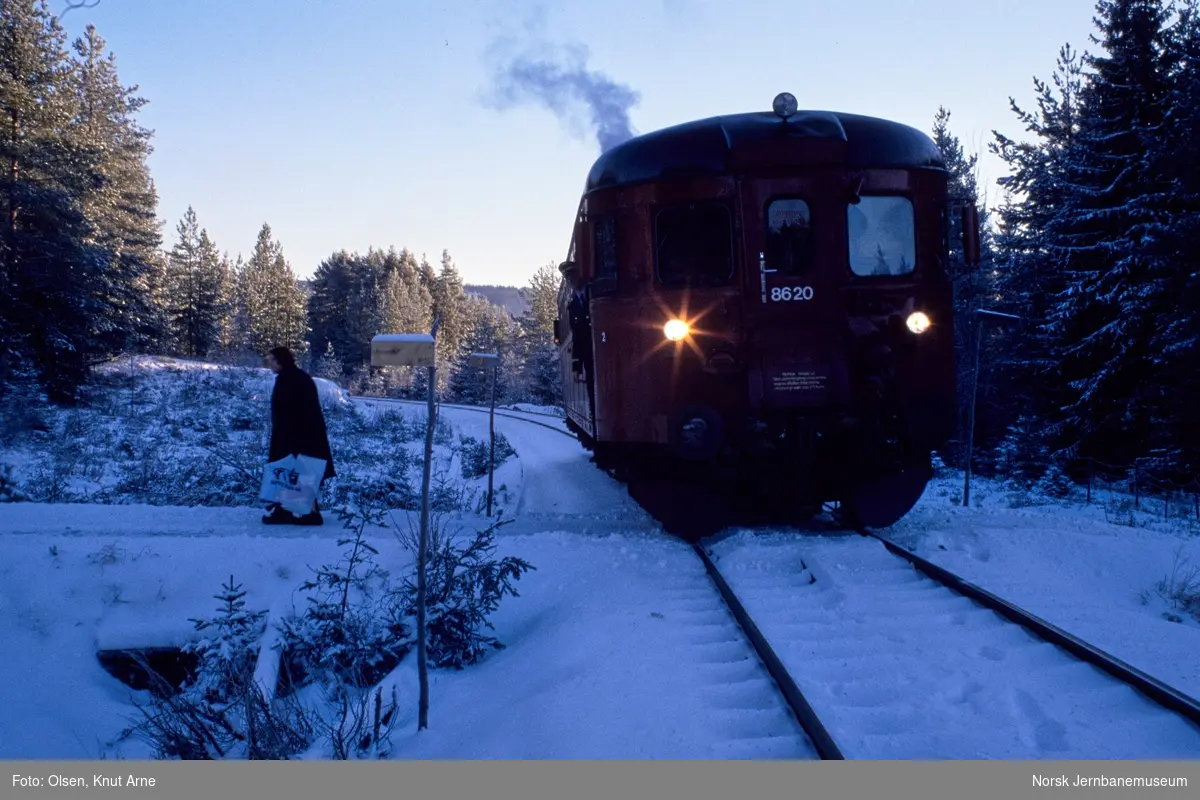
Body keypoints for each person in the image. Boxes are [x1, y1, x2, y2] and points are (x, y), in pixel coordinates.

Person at [262, 346, 336, 525]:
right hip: (300, 435)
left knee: (297, 471)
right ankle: (284, 512)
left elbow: (294, 412)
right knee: (293, 471)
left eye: (272, 360)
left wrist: (290, 439)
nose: (269, 363)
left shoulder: (290, 379)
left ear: (280, 360)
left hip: (296, 436)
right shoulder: (297, 377)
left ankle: (310, 514)